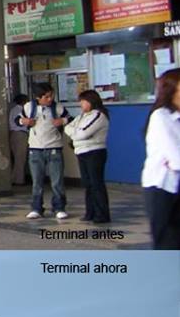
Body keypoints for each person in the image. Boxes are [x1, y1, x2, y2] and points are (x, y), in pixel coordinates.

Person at [141, 67, 180, 249]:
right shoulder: (161, 117)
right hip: (162, 187)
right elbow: (176, 157)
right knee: (168, 242)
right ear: (171, 91)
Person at [21, 83, 72, 220]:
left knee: (57, 180)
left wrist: (62, 120)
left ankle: (59, 207)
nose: (50, 99)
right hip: (35, 148)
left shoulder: (58, 107)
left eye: (51, 96)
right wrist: (24, 121)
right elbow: (18, 119)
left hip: (54, 147)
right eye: (47, 96)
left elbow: (70, 119)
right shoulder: (28, 107)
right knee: (37, 181)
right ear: (38, 97)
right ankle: (36, 208)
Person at [65, 90, 111, 225]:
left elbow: (83, 134)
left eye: (83, 101)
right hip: (81, 152)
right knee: (87, 184)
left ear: (91, 101)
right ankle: (90, 212)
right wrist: (75, 133)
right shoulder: (81, 116)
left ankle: (101, 214)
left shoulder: (99, 115)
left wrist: (75, 133)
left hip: (94, 152)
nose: (81, 104)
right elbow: (68, 127)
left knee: (96, 183)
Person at [8, 93, 29, 185]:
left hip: (14, 134)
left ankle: (15, 178)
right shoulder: (20, 111)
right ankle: (18, 180)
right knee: (20, 158)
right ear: (23, 102)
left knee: (17, 158)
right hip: (20, 134)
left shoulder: (13, 110)